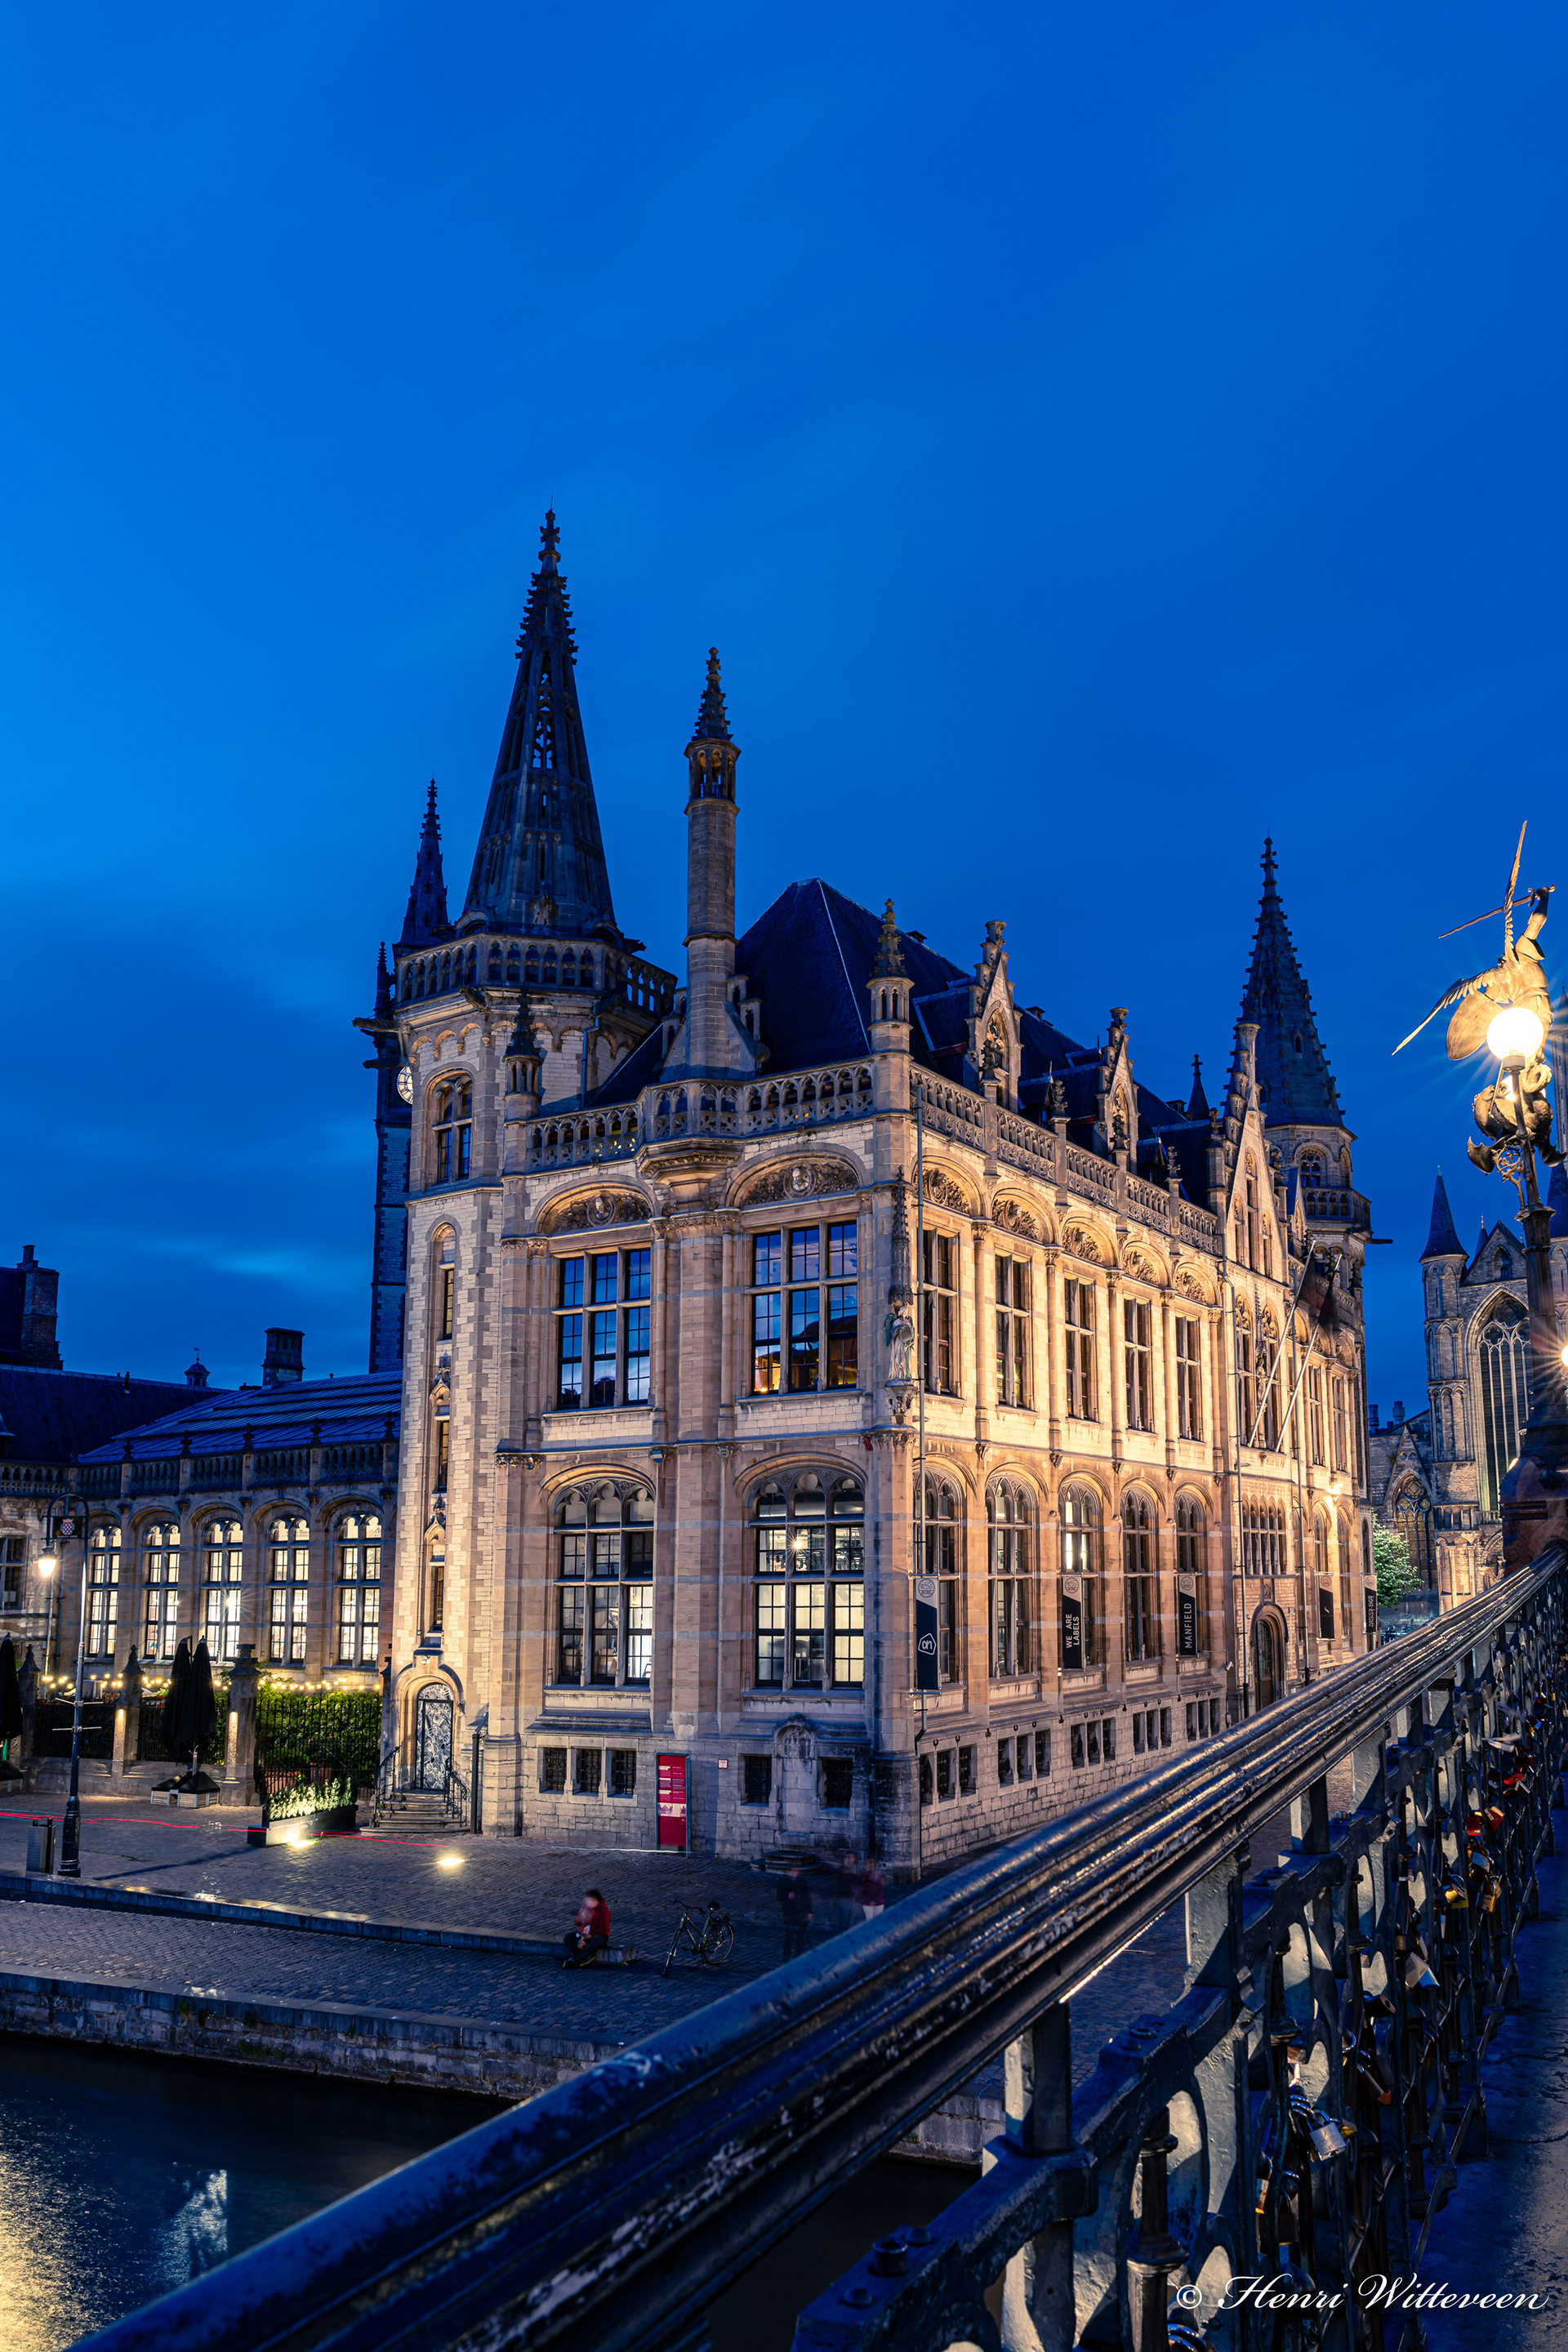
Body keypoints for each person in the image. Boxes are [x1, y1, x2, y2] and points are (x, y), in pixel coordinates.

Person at [562, 1886, 611, 1969]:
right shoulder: (586, 1907)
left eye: (591, 1900)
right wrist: (580, 1918)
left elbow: (604, 1930)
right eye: (588, 1900)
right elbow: (577, 1923)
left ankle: (577, 1960)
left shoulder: (603, 1911)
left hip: (597, 1936)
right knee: (568, 1938)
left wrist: (591, 1936)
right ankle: (584, 1956)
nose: (589, 1903)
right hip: (584, 1933)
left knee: (595, 1942)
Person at [777, 1864, 813, 1961]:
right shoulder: (783, 1882)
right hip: (790, 1913)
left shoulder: (802, 1882)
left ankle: (799, 1957)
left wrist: (809, 1911)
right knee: (789, 1937)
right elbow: (779, 1896)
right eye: (793, 1870)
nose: (795, 1873)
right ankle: (786, 1959)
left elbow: (807, 1897)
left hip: (801, 1912)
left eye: (796, 1871)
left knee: (801, 1937)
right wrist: (787, 1896)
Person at [858, 1857, 885, 1921]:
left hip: (878, 1903)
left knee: (877, 1921)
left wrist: (873, 1900)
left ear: (874, 1864)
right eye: (867, 1862)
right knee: (869, 1921)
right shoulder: (863, 1876)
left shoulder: (879, 1875)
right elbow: (862, 1890)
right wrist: (869, 1900)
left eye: (871, 1862)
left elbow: (880, 1889)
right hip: (867, 1903)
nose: (868, 1864)